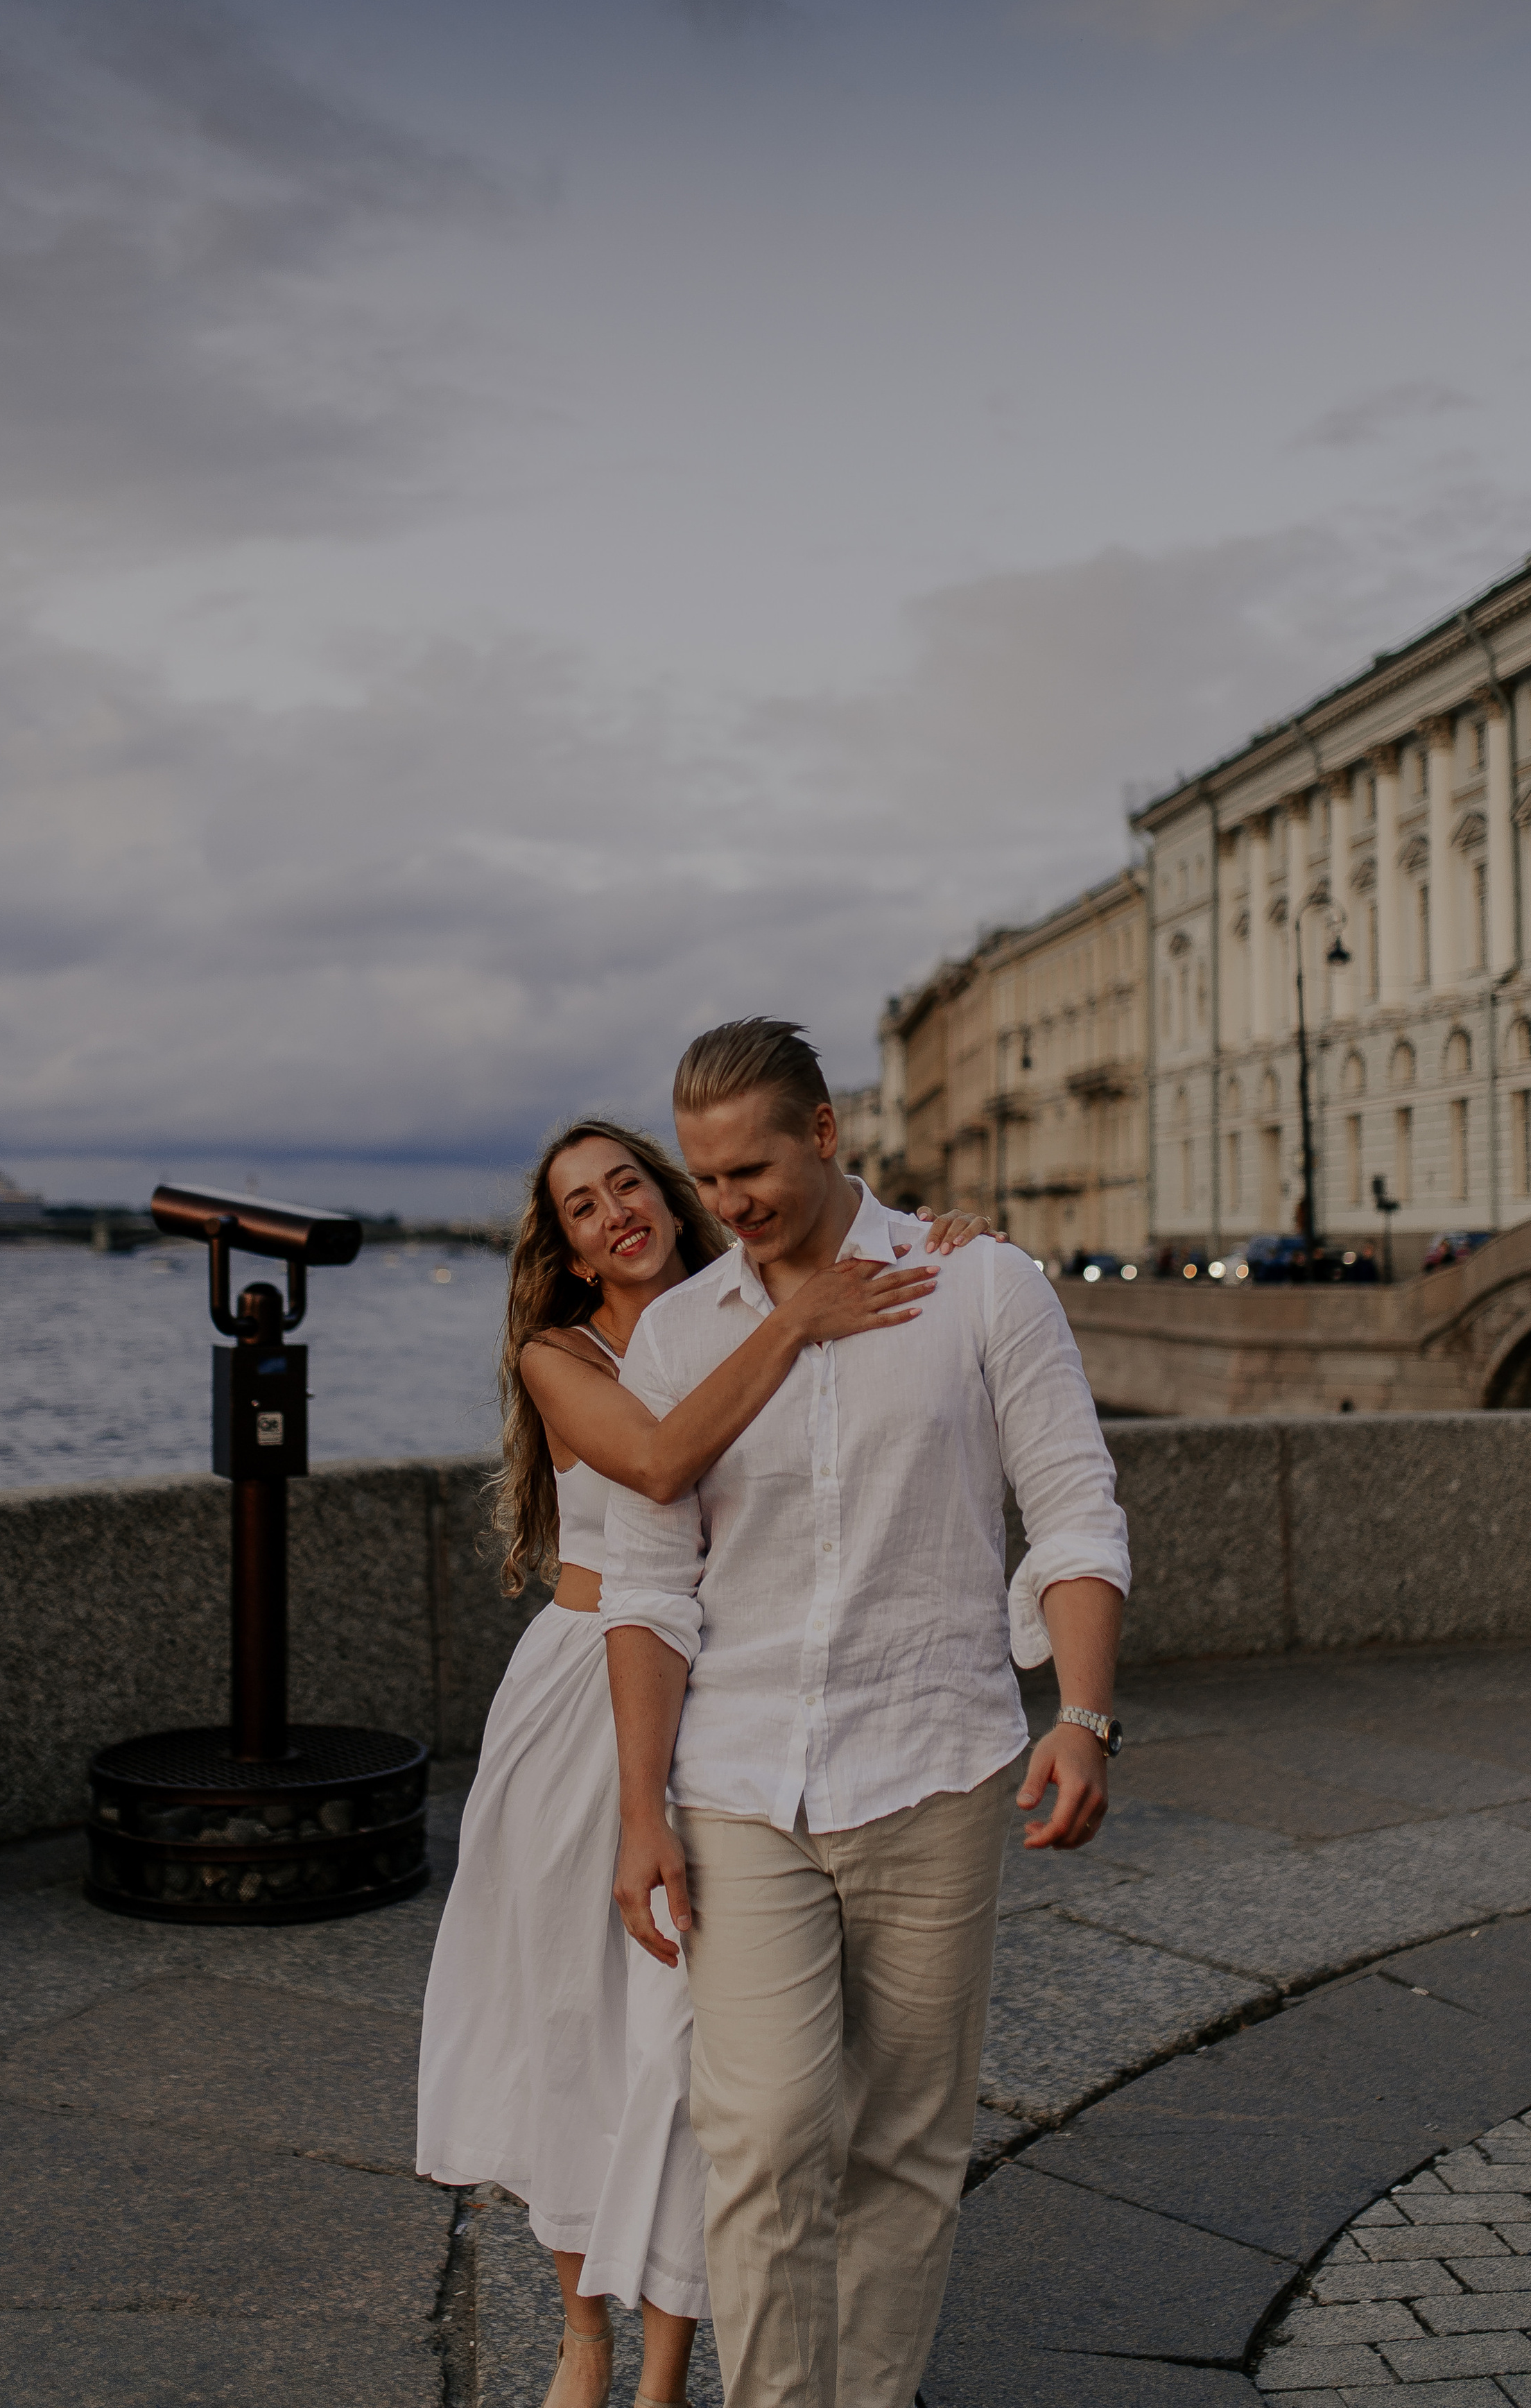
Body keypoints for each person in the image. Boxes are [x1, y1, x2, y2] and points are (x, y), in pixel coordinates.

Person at [417, 1115, 1001, 2408]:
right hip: (585, 1698)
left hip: (732, 1692)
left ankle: (671, 2367)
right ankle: (584, 2336)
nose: (613, 1210)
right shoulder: (559, 1354)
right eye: (580, 1207)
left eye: (628, 1181)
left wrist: (944, 1251)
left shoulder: (759, 1298)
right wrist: (798, 1325)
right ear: (565, 1251)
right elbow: (664, 1461)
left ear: (676, 1196)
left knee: (698, 2054)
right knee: (571, 2021)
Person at [602, 1022, 1131, 2408]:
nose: (729, 1205)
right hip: (738, 1782)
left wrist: (1080, 1713)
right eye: (706, 1181)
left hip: (936, 1763)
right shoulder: (676, 1334)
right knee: (765, 2132)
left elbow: (1071, 1510)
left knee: (903, 2143)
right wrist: (635, 1810)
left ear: (824, 1134)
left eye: (752, 1168)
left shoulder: (981, 1286)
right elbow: (647, 1593)